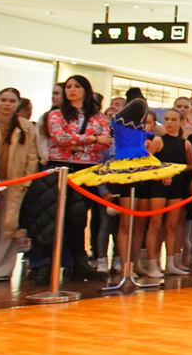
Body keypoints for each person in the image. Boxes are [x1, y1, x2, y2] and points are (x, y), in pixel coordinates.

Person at [66, 98, 184, 282]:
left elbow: (151, 133)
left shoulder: (137, 128)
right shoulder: (120, 123)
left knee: (133, 224)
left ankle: (130, 265)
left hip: (139, 165)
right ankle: (124, 266)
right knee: (125, 224)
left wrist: (150, 132)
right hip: (127, 167)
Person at [43, 75, 111, 278]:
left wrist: (77, 143)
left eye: (77, 86)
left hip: (86, 169)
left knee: (78, 217)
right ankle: (48, 263)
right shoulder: (56, 115)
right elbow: (59, 138)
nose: (71, 90)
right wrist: (91, 138)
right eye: (68, 87)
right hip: (60, 167)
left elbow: (105, 142)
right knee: (53, 216)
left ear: (86, 90)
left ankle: (78, 261)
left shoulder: (98, 117)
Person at [0, 87, 37, 281]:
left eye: (11, 101)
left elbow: (32, 156)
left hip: (15, 182)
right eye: (3, 100)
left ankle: (2, 269)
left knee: (9, 225)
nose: (7, 104)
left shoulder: (26, 127)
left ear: (17, 103)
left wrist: (27, 181)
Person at [142, 107, 192, 277]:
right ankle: (152, 264)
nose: (169, 122)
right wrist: (162, 172)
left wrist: (173, 171)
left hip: (177, 184)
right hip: (159, 186)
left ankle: (171, 262)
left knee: (172, 225)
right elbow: (146, 162)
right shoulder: (158, 141)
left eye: (173, 119)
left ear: (181, 122)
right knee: (155, 224)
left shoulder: (185, 143)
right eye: (166, 119)